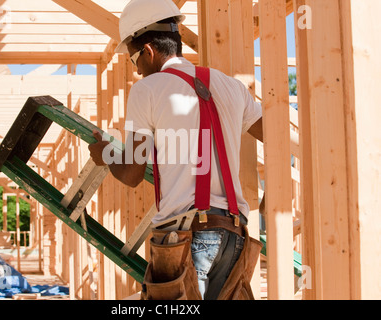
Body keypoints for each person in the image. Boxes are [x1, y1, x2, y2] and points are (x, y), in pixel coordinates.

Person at [88, 0, 263, 300]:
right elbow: (274, 134)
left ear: (148, 51)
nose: (137, 70)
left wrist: (104, 153)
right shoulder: (231, 87)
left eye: (134, 60)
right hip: (235, 236)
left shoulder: (148, 91)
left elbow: (131, 173)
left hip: (187, 237)